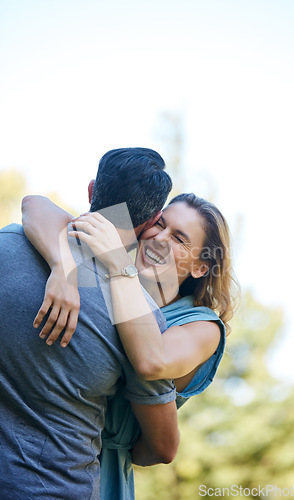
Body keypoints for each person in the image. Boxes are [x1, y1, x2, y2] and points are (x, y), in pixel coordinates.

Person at [22, 188, 240, 499]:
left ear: (199, 268)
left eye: (180, 239)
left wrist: (119, 268)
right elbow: (35, 205)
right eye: (160, 223)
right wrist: (62, 267)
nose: (161, 239)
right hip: (33, 431)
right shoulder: (106, 263)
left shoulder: (202, 327)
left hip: (97, 471)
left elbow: (152, 364)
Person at [0, 147, 182, 500]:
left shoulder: (9, 242)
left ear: (91, 189)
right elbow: (163, 448)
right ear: (150, 221)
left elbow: (34, 204)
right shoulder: (141, 319)